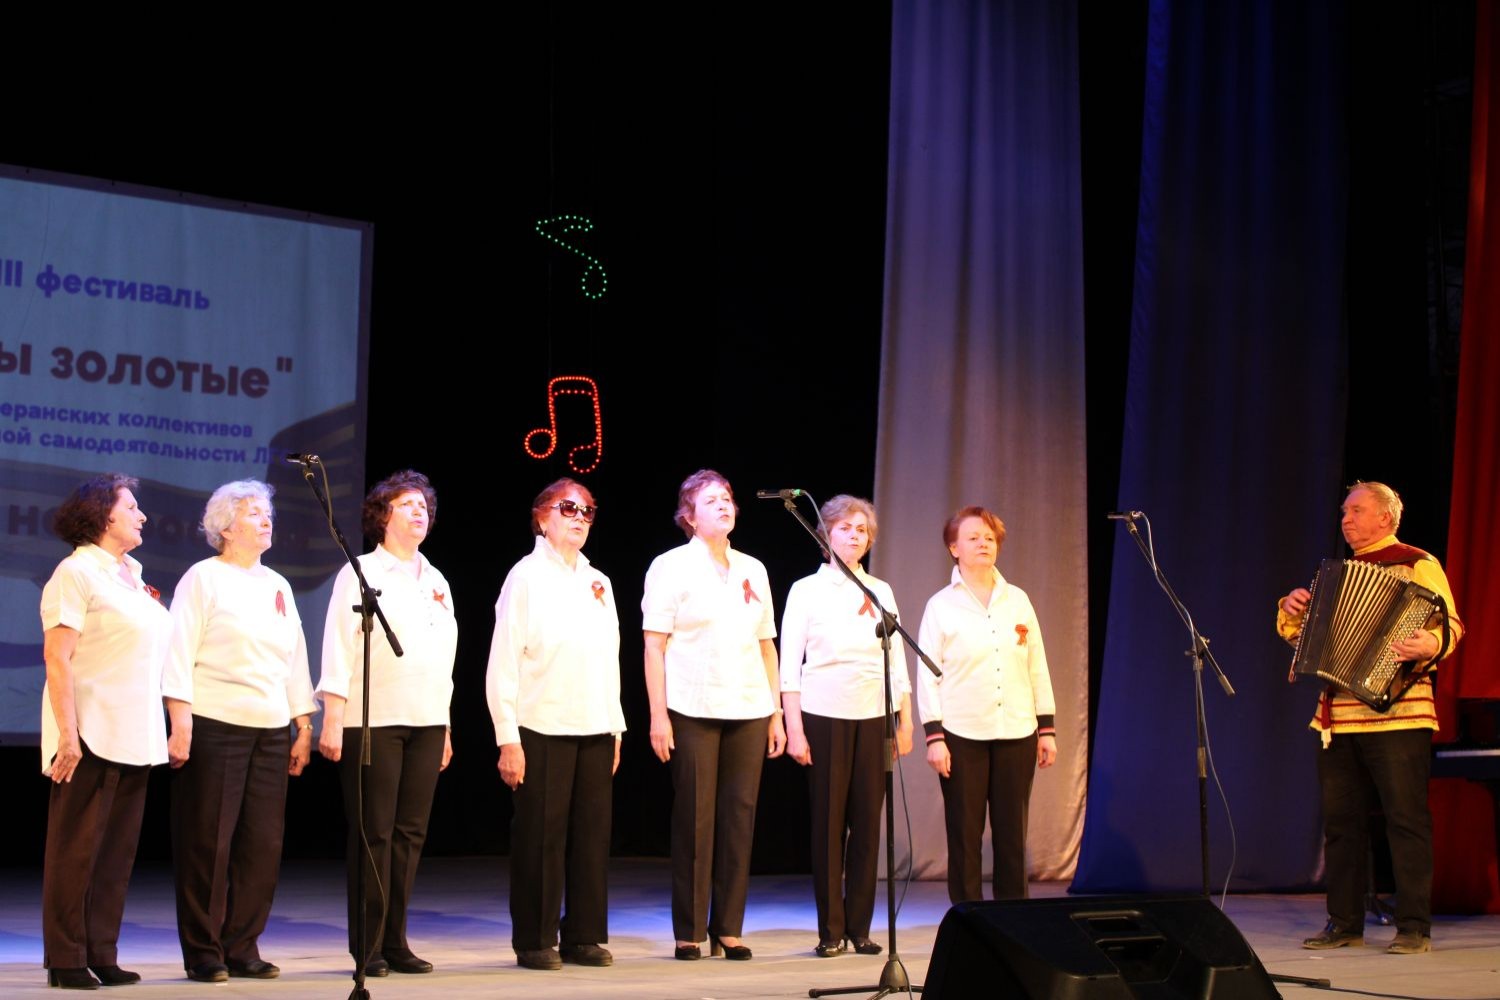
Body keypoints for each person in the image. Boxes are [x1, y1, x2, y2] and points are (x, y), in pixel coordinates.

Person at [1277, 481, 1464, 955]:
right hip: (1339, 717)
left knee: (1406, 820)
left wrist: (1430, 642)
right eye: (1344, 511)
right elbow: (1306, 641)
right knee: (1342, 825)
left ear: (1385, 517)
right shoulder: (1336, 576)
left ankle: (1414, 927)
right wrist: (1292, 610)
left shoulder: (1417, 563)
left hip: (1399, 713)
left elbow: (1451, 625)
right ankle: (1344, 924)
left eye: (1357, 510)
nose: (1346, 519)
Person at [161, 479, 317, 983]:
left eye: (267, 512)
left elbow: (294, 656)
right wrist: (180, 719)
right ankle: (204, 952)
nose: (265, 520)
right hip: (216, 723)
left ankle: (243, 945)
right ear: (225, 528)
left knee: (262, 843)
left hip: (270, 728)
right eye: (252, 513)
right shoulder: (203, 578)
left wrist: (303, 722)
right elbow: (178, 651)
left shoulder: (278, 585)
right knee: (208, 842)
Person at [643, 469, 786, 961]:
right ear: (689, 515)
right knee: (696, 817)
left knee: (739, 817)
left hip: (749, 705)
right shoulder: (670, 566)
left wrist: (776, 713)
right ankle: (689, 929)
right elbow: (654, 645)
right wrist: (658, 716)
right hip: (692, 705)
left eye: (727, 498)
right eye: (711, 500)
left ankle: (729, 927)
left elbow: (767, 646)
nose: (724, 505)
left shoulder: (753, 568)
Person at [317, 471, 456, 977]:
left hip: (426, 719)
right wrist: (333, 717)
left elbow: (444, 657)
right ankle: (369, 944)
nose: (419, 511)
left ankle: (396, 940)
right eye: (407, 504)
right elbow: (339, 645)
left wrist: (445, 725)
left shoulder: (436, 580)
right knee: (373, 833)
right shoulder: (360, 571)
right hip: (372, 720)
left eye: (424, 505)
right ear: (383, 515)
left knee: (410, 834)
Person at [38, 474, 172, 990]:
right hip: (90, 732)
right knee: (76, 851)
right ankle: (66, 957)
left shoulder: (133, 576)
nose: (142, 516)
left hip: (135, 732)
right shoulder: (76, 573)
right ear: (102, 515)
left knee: (116, 855)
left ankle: (101, 951)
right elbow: (58, 657)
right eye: (131, 507)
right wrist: (67, 734)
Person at [486, 478, 625, 971]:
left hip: (595, 725)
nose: (580, 518)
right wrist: (508, 737)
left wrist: (615, 727)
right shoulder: (524, 577)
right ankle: (535, 938)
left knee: (592, 836)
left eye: (588, 510)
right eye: (569, 508)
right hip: (541, 725)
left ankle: (584, 935)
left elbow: (610, 658)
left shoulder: (598, 580)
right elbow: (503, 662)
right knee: (540, 836)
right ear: (542, 516)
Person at [781, 495, 914, 957]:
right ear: (826, 534)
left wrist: (904, 720)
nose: (855, 536)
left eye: (862, 530)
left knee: (868, 824)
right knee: (828, 825)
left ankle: (860, 927)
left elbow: (896, 659)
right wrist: (794, 728)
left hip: (873, 715)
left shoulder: (880, 590)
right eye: (845, 528)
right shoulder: (806, 590)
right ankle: (831, 930)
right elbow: (789, 664)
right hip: (823, 713)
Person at [917, 505, 1057, 904]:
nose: (984, 544)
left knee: (1012, 835)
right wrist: (934, 736)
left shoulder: (1018, 600)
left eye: (990, 538)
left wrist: (1046, 728)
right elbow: (927, 674)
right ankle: (969, 920)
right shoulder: (940, 605)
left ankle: (1014, 923)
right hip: (961, 733)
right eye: (974, 537)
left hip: (1017, 729)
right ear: (954, 548)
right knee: (965, 835)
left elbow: (1036, 664)